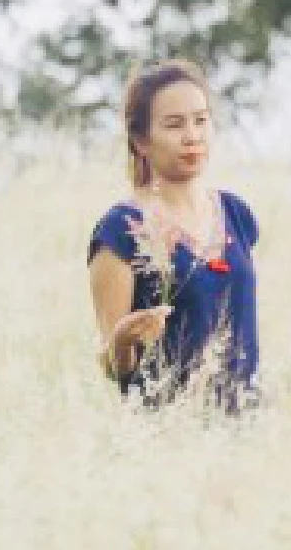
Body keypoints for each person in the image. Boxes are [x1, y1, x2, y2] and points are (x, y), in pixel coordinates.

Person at [86, 60, 262, 412]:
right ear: (140, 140)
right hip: (168, 433)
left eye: (201, 120)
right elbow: (112, 367)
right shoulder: (121, 230)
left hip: (246, 427)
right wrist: (123, 340)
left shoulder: (235, 213)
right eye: (174, 124)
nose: (192, 135)